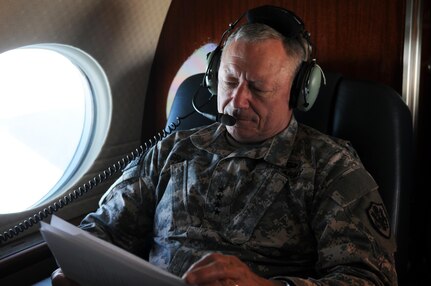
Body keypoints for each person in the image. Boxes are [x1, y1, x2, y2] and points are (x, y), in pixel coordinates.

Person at [52, 6, 397, 286]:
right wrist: (79, 265)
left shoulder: (332, 167)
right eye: (229, 81)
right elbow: (102, 230)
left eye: (258, 89)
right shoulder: (171, 151)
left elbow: (370, 279)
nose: (237, 101)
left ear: (299, 93)